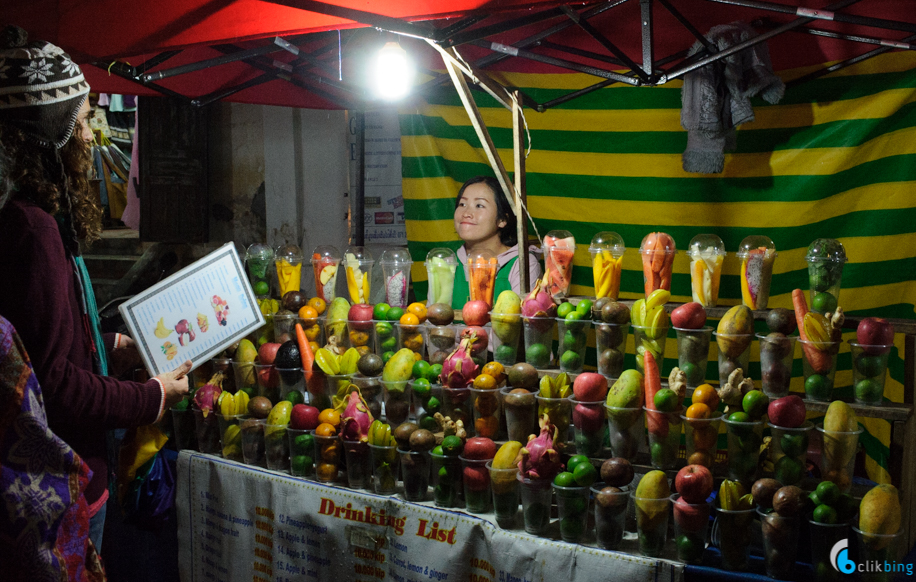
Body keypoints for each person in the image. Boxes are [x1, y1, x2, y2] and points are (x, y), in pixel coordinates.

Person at [0, 25, 191, 553]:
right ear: (50, 133)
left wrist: (108, 347)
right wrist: (152, 397)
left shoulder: (30, 218)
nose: (91, 136)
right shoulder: (32, 230)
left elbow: (39, 344)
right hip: (65, 478)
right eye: (82, 120)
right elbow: (55, 385)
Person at [451, 176, 542, 309]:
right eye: (462, 204)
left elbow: (526, 324)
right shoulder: (447, 264)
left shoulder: (522, 266)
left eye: (479, 205)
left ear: (502, 220)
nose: (466, 213)